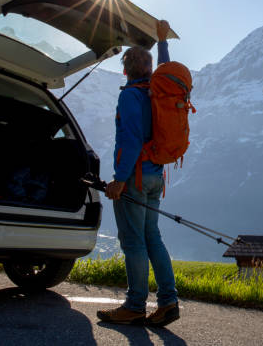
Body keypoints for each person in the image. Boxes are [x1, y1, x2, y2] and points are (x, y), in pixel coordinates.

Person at [97, 20, 179, 327]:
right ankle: (169, 302)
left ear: (124, 70)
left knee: (133, 243)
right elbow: (167, 69)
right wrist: (162, 43)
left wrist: (119, 179)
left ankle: (134, 306)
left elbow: (130, 140)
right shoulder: (160, 90)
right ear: (149, 69)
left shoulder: (130, 96)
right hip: (157, 176)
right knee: (153, 238)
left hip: (135, 178)